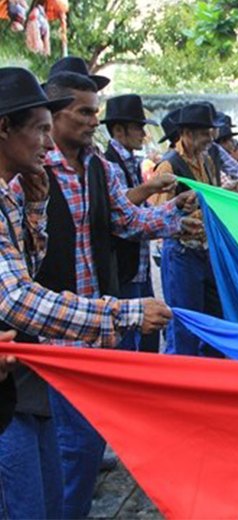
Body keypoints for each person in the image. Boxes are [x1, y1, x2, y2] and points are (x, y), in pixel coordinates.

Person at [0, 66, 176, 519]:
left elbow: (27, 265)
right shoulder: (20, 182)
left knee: (64, 470)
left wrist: (174, 214)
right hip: (43, 347)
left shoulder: (64, 177)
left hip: (60, 343)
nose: (92, 121)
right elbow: (17, 295)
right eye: (40, 128)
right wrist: (122, 314)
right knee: (40, 483)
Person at [41, 63, 194, 519]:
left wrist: (176, 219)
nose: (92, 121)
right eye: (84, 113)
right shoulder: (29, 172)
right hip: (52, 332)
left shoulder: (100, 169)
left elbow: (127, 222)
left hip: (97, 326)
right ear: (54, 115)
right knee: (71, 447)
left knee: (81, 445)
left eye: (95, 112)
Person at [154, 103, 228, 359]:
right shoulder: (168, 167)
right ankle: (180, 380)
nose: (211, 138)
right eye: (206, 132)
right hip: (182, 254)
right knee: (183, 323)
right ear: (187, 133)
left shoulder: (206, 161)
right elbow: (157, 214)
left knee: (215, 317)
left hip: (207, 252)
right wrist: (191, 213)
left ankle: (211, 377)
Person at [101, 93, 173, 353]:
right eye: (138, 127)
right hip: (124, 265)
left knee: (148, 333)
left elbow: (139, 211)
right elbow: (122, 208)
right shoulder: (108, 163)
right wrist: (152, 188)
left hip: (137, 264)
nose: (143, 134)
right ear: (119, 130)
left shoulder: (129, 161)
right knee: (128, 336)